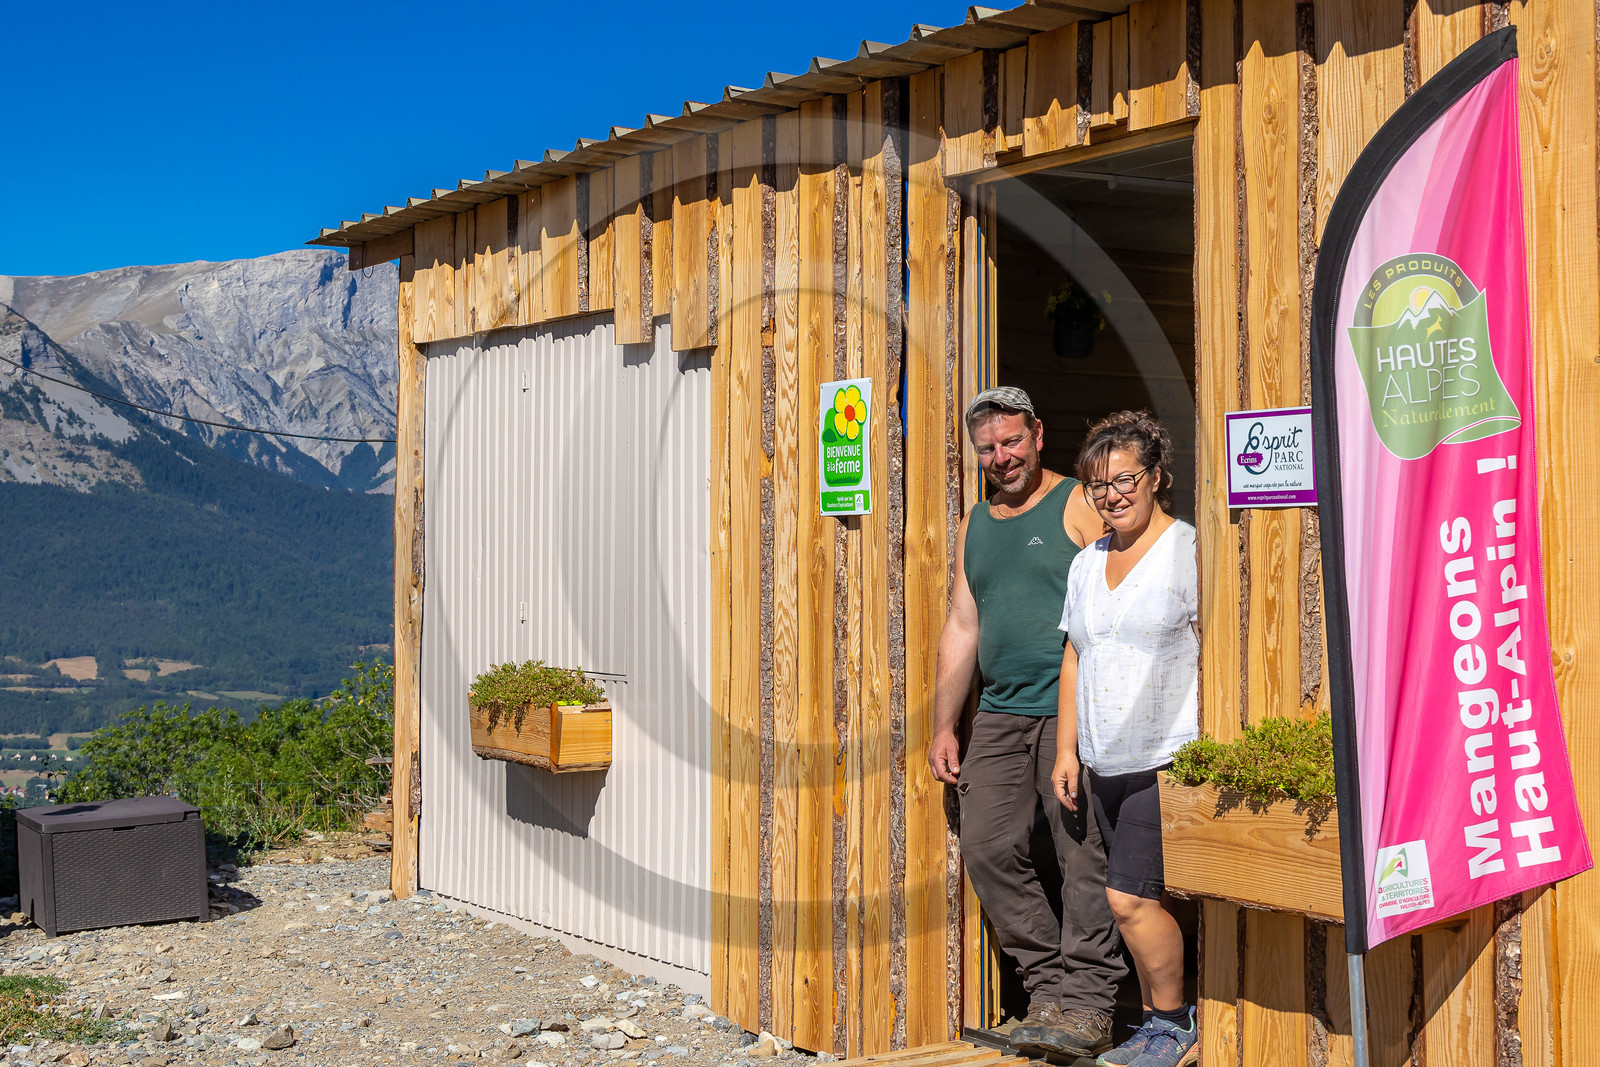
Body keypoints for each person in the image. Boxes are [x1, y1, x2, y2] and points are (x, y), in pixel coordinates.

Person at [928, 386, 1127, 1059]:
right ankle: (1047, 990)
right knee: (986, 845)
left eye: (1012, 441)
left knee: (1082, 858)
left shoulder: (1077, 502)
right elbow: (963, 624)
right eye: (988, 448)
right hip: (1001, 712)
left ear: (1038, 434)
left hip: (1075, 712)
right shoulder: (975, 525)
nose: (1002, 457)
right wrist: (945, 724)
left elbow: (1121, 592)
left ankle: (1091, 1006)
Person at [1051, 411, 1199, 1067]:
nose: (1111, 495)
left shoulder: (1188, 550)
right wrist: (1066, 749)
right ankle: (1151, 1024)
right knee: (1139, 900)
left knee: (1129, 899)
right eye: (1098, 485)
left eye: (1124, 479)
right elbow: (1075, 655)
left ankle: (1174, 1023)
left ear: (1156, 476)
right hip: (1102, 758)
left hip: (1167, 755)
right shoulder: (1087, 562)